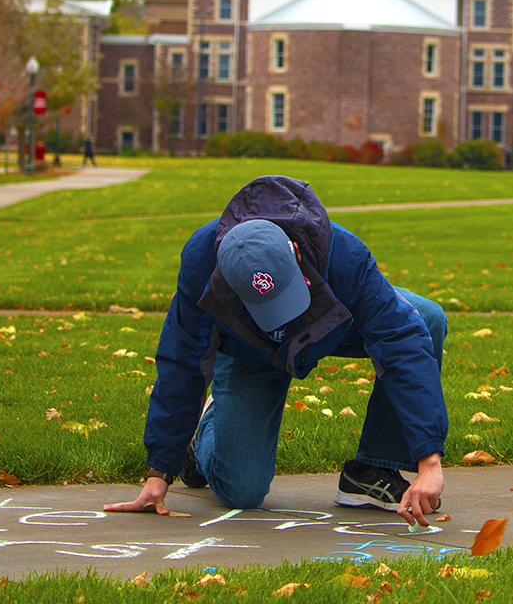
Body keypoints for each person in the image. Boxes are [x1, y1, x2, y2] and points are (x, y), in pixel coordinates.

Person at [104, 176, 448, 526]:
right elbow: (182, 361)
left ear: (295, 253)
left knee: (426, 319)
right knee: (242, 492)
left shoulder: (343, 254)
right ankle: (206, 429)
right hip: (249, 352)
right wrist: (159, 472)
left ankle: (374, 469)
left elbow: (401, 339)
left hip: (329, 325)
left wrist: (429, 462)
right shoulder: (201, 262)